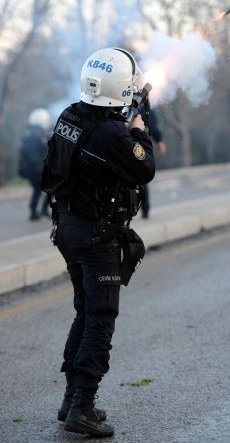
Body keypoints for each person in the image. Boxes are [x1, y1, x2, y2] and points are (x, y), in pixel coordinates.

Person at [41, 47, 155, 438]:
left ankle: (72, 400)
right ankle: (83, 408)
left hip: (69, 230)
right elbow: (144, 168)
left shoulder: (70, 115)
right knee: (100, 318)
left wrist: (126, 120)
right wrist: (139, 127)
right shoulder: (110, 133)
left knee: (85, 312)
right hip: (96, 236)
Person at [18, 108, 50, 220]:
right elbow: (45, 150)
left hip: (29, 169)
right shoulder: (41, 134)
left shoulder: (27, 133)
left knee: (39, 189)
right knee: (50, 188)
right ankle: (42, 210)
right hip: (39, 168)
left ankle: (35, 211)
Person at [141, 109, 166, 218]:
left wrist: (159, 140)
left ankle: (145, 210)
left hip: (138, 143)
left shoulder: (144, 107)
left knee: (142, 178)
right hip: (129, 142)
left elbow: (152, 124)